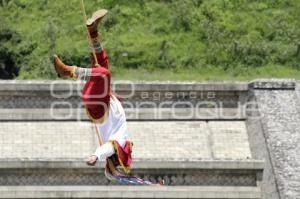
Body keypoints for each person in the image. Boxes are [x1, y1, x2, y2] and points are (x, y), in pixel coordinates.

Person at [53, 9, 132, 174]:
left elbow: (109, 148)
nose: (119, 159)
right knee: (102, 63)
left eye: (116, 161)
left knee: (104, 74)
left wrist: (96, 155)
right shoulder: (121, 139)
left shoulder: (116, 142)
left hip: (98, 107)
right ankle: (93, 31)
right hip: (104, 101)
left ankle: (68, 71)